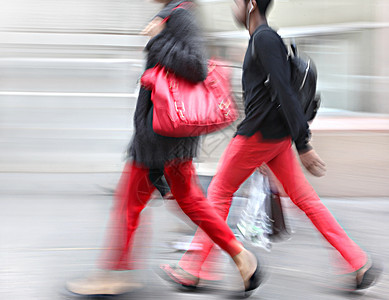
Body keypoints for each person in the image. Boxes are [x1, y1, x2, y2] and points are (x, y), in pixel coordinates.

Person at [159, 0, 382, 291]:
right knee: (306, 200)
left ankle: (196, 267)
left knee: (219, 193)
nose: (232, 7)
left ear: (251, 4)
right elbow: (270, 94)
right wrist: (283, 145)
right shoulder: (262, 39)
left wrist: (303, 144)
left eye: (236, 1)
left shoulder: (265, 38)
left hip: (258, 136)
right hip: (273, 140)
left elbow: (284, 91)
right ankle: (357, 262)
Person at [66, 0, 262, 297]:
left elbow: (195, 67)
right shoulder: (175, 14)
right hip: (167, 138)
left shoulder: (180, 15)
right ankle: (241, 256)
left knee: (128, 204)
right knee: (191, 201)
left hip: (160, 138)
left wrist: (157, 41)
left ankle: (116, 274)